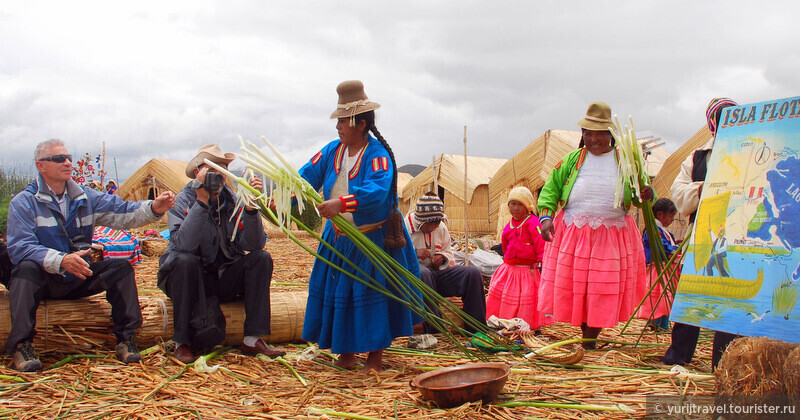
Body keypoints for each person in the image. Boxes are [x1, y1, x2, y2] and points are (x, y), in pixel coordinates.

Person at [4, 139, 175, 372]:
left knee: (121, 269)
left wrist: (153, 208)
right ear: (40, 166)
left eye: (68, 158)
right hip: (43, 280)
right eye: (59, 159)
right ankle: (22, 346)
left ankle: (126, 339)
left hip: (78, 277)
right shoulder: (24, 202)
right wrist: (61, 260)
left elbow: (122, 211)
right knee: (24, 269)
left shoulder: (85, 197)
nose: (67, 162)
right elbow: (20, 247)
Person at [298, 80, 421, 373]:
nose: (338, 126)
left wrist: (342, 203)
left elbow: (377, 191)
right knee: (340, 293)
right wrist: (283, 192)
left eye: (343, 121)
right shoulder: (332, 151)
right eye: (338, 120)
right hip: (339, 238)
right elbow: (305, 177)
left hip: (371, 239)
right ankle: (346, 353)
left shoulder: (377, 155)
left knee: (373, 297)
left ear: (361, 123)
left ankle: (375, 357)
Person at [537, 101, 653, 349]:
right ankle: (585, 334)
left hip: (612, 235)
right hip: (574, 233)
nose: (593, 139)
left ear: (610, 135)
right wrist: (546, 218)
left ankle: (591, 338)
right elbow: (550, 189)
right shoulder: (572, 160)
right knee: (579, 287)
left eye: (599, 133)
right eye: (588, 133)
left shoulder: (626, 161)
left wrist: (646, 193)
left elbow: (640, 193)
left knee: (600, 287)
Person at [158, 144, 285, 364]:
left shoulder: (232, 200)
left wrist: (251, 209)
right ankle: (181, 342)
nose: (219, 176)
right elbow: (184, 245)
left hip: (223, 275)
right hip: (190, 280)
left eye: (223, 170)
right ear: (198, 172)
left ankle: (252, 339)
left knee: (261, 259)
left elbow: (255, 245)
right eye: (213, 170)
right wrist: (201, 201)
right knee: (185, 260)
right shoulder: (182, 200)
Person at [662, 97, 739, 369]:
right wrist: (704, 187)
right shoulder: (698, 157)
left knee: (730, 298)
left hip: (738, 235)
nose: (728, 122)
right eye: (722, 117)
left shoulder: (750, 149)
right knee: (692, 295)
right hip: (703, 233)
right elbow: (678, 192)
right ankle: (678, 355)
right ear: (712, 123)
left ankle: (724, 362)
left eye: (733, 117)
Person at [404, 193, 487, 333]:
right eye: (433, 224)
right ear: (422, 222)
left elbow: (449, 254)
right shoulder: (404, 227)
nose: (437, 226)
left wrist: (442, 258)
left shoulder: (440, 227)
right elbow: (395, 256)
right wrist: (414, 253)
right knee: (423, 272)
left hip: (436, 277)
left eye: (438, 222)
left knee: (472, 273)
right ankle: (435, 327)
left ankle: (477, 329)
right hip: (413, 282)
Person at [485, 186, 550, 332]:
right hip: (510, 269)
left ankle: (530, 326)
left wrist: (541, 264)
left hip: (527, 270)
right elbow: (505, 245)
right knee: (506, 295)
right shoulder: (509, 225)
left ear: (528, 207)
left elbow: (541, 245)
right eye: (512, 204)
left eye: (520, 204)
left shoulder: (533, 223)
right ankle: (505, 322)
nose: (515, 208)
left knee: (526, 298)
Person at [636, 198, 680, 331]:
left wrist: (676, 244)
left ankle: (662, 324)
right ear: (660, 214)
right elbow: (661, 247)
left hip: (667, 269)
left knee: (666, 296)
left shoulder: (663, 231)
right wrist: (675, 248)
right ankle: (655, 323)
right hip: (659, 269)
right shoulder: (653, 229)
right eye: (671, 216)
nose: (672, 220)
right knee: (660, 296)